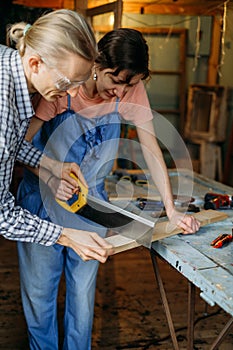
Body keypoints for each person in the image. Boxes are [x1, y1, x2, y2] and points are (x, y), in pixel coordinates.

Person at [17, 28, 201, 350]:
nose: (121, 92)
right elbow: (20, 144)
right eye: (115, 81)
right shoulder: (65, 87)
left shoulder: (131, 86)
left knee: (82, 296)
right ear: (96, 66)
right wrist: (49, 177)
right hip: (43, 203)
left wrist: (172, 209)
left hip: (91, 206)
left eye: (129, 84)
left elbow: (150, 148)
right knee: (40, 295)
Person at [0, 9, 113, 263]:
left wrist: (53, 165)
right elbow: (1, 214)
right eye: (67, 83)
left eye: (80, 83)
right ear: (35, 63)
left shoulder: (11, 61)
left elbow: (13, 143)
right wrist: (67, 235)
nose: (72, 94)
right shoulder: (3, 105)